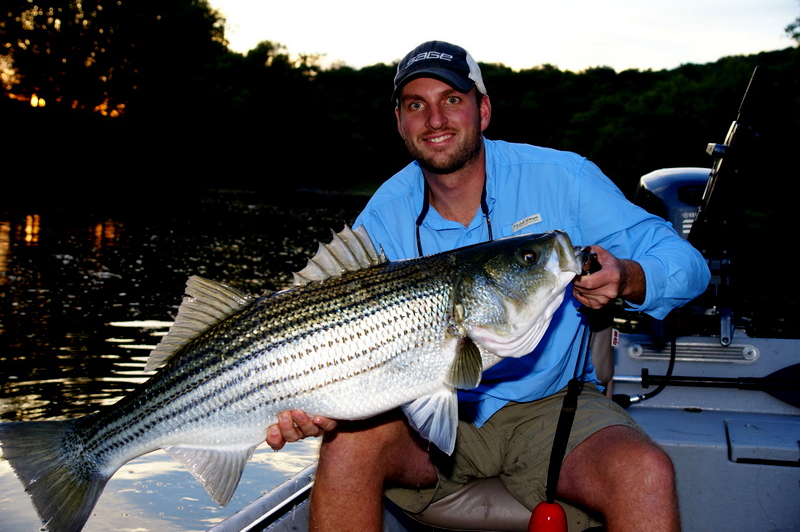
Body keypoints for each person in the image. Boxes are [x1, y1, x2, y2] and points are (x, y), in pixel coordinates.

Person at [266, 40, 710, 531]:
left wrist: (629, 275)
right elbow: (333, 335)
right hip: (430, 409)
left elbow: (686, 262)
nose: (435, 119)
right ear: (400, 122)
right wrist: (317, 400)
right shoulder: (384, 214)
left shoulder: (563, 179)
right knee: (346, 446)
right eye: (417, 105)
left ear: (483, 109)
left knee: (645, 473)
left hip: (552, 405)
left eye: (452, 100)